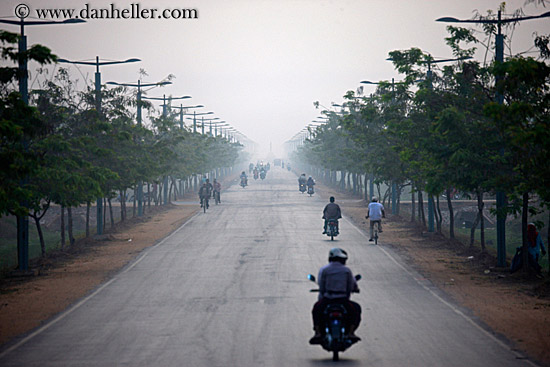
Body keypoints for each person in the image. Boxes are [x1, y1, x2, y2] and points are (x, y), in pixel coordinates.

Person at [310, 248, 361, 344]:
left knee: (316, 309)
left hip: (328, 299)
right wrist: (354, 289)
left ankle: (318, 332)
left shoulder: (324, 269)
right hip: (343, 300)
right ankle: (351, 332)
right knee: (356, 309)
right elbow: (351, 285)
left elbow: (322, 285)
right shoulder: (347, 270)